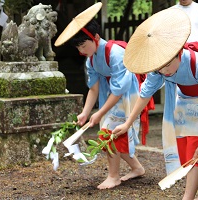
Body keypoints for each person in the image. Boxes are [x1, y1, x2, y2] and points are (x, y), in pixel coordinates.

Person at [113, 8, 198, 200]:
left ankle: (187, 197)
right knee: (185, 150)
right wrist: (127, 123)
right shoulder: (160, 68)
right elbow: (145, 93)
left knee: (196, 147)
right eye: (160, 67)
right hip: (182, 100)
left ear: (178, 52)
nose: (165, 70)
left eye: (168, 65)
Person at [54, 3, 145, 190]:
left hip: (126, 93)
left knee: (109, 130)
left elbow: (119, 90)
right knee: (114, 130)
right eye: (78, 47)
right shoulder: (91, 59)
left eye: (83, 45)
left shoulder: (116, 54)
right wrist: (86, 113)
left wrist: (100, 112)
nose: (81, 51)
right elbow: (93, 89)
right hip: (109, 92)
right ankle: (137, 167)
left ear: (95, 37)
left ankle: (114, 176)